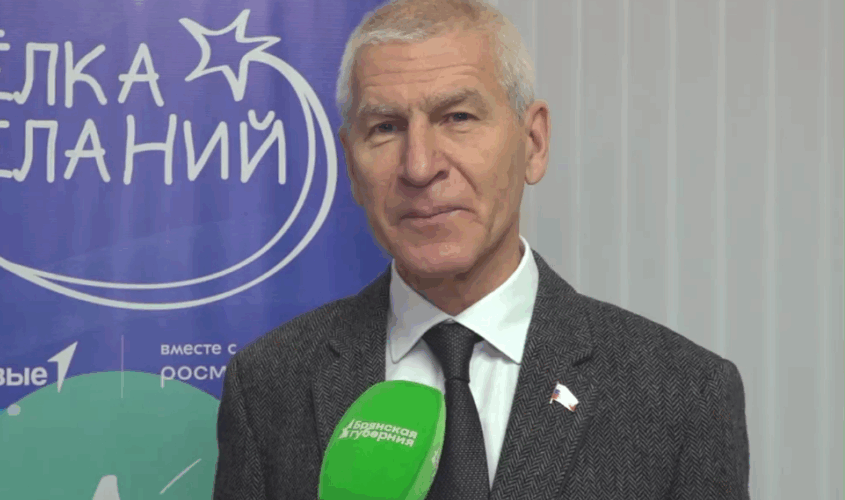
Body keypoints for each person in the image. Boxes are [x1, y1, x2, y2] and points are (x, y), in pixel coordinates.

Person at [212, 0, 750, 498]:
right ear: (351, 165)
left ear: (534, 143)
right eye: (386, 127)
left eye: (458, 118)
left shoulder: (681, 394)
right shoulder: (268, 386)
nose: (419, 166)